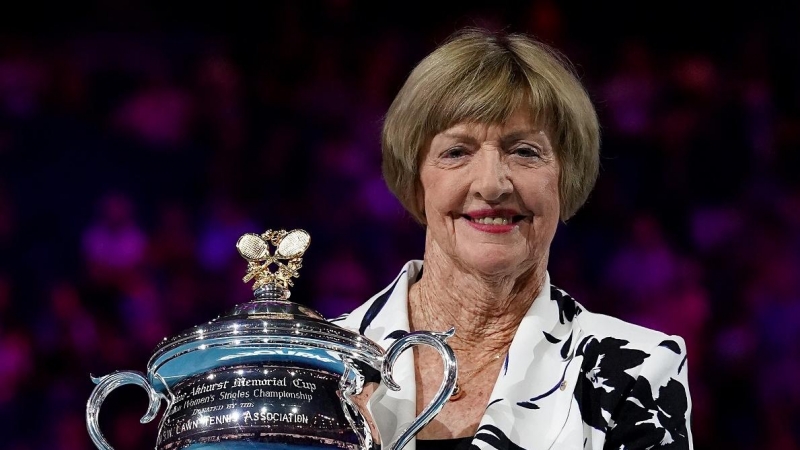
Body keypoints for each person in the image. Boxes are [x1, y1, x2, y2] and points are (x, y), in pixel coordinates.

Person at [330, 26, 693, 450]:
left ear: (566, 177)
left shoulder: (636, 370)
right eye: (456, 152)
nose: (492, 184)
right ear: (415, 179)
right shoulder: (321, 366)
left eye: (524, 151)